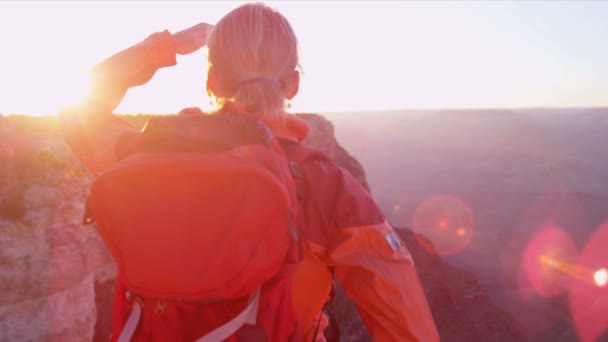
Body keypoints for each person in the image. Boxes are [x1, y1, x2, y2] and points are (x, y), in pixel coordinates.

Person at [60, 3, 439, 341]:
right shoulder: (327, 189)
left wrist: (163, 47)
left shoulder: (145, 154)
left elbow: (79, 111)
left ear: (211, 83)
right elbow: (403, 320)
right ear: (293, 84)